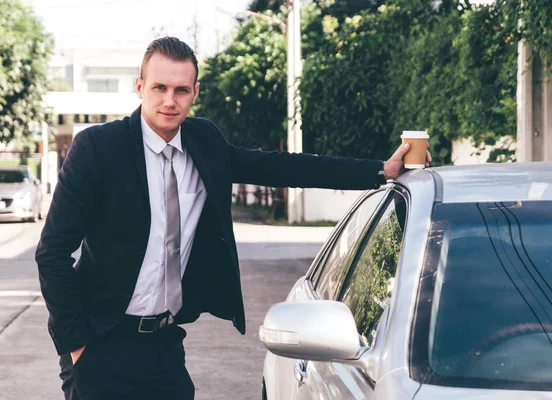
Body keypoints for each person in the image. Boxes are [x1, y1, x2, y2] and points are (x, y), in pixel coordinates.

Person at [35, 36, 430, 399]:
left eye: (181, 90)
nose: (169, 100)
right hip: (101, 344)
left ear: (195, 93)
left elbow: (282, 168)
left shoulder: (205, 142)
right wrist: (77, 346)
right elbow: (52, 252)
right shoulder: (98, 150)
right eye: (159, 88)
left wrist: (379, 170)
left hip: (164, 343)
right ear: (140, 87)